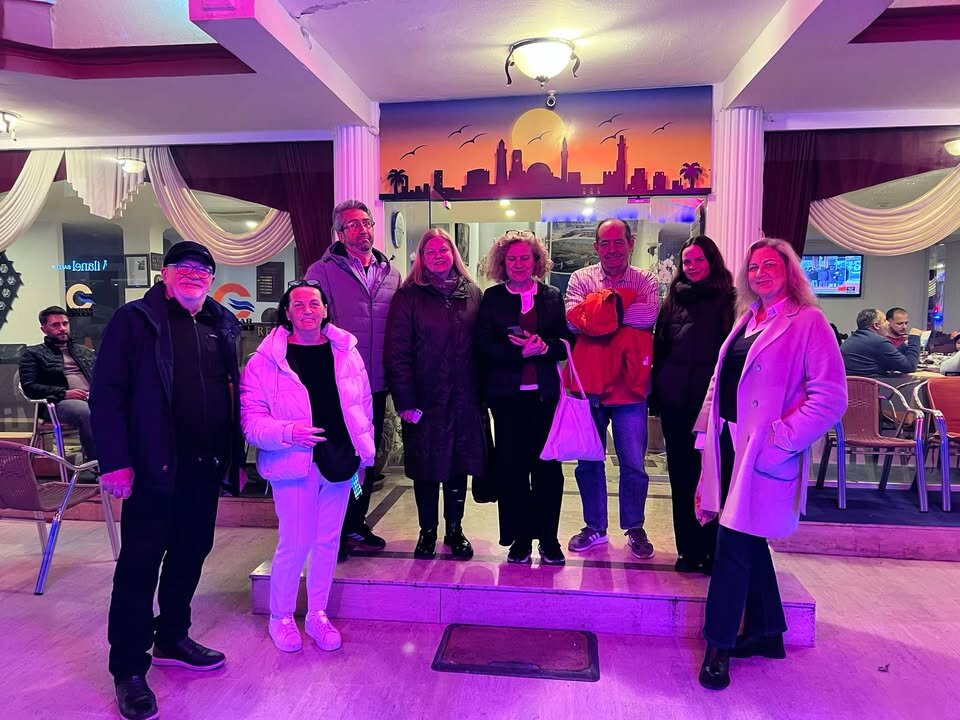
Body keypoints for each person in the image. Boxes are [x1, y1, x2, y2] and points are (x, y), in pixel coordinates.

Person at [91, 241, 244, 720]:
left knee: (190, 554)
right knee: (139, 567)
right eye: (184, 267)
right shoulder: (135, 320)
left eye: (204, 269)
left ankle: (173, 637)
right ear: (165, 274)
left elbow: (230, 391)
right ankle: (128, 669)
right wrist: (115, 461)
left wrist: (234, 457)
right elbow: (106, 394)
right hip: (152, 467)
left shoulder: (221, 323)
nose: (194, 274)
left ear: (212, 279)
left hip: (205, 466)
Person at [694, 238, 847, 691]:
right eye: (754, 267)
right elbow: (720, 382)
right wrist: (705, 434)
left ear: (789, 272)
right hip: (729, 443)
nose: (760, 273)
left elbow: (831, 397)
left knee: (732, 545)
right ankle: (767, 631)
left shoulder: (808, 321)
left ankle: (718, 646)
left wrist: (783, 439)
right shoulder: (746, 319)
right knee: (747, 536)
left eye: (770, 265)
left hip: (764, 449)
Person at [241, 281, 375, 653]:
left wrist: (364, 457)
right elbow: (251, 422)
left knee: (327, 542)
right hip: (293, 461)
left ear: (325, 309)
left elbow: (362, 408)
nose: (307, 310)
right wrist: (288, 432)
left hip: (340, 460)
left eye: (314, 303)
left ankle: (317, 613)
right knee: (295, 541)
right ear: (286, 312)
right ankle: (280, 616)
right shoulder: (264, 361)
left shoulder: (347, 353)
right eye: (298, 304)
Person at [305, 200, 400, 562]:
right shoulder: (321, 271)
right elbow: (311, 324)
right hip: (337, 384)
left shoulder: (391, 273)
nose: (362, 230)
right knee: (338, 459)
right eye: (353, 225)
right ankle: (333, 532)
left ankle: (356, 523)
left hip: (376, 382)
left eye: (366, 223)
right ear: (339, 233)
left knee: (367, 458)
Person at [386, 227, 486, 560]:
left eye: (444, 250)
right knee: (426, 468)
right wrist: (405, 400)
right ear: (421, 258)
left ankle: (454, 530)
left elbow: (482, 347)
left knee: (458, 467)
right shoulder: (408, 296)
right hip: (424, 401)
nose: (438, 256)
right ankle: (427, 531)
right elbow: (397, 352)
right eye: (431, 252)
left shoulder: (472, 293)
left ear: (453, 254)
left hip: (464, 400)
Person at [563, 218, 660, 560]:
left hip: (630, 387)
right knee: (589, 461)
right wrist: (623, 307)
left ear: (630, 243)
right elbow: (574, 321)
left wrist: (599, 311)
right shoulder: (580, 278)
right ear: (596, 247)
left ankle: (634, 526)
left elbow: (649, 316)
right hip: (589, 385)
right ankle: (595, 526)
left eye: (619, 241)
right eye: (605, 243)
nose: (612, 249)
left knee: (633, 463)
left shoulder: (645, 279)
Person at [475, 230, 570, 565]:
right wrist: (518, 353)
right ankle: (519, 539)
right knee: (512, 470)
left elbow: (565, 343)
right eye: (512, 258)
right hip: (507, 400)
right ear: (503, 263)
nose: (518, 264)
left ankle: (549, 539)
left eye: (524, 258)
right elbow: (483, 346)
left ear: (536, 261)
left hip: (545, 398)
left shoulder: (552, 296)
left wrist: (546, 348)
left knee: (548, 470)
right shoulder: (492, 298)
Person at [652, 236, 735, 574]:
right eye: (687, 262)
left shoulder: (730, 300)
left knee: (714, 477)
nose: (692, 267)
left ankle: (714, 550)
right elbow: (660, 349)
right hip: (675, 402)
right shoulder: (673, 300)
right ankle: (687, 549)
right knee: (681, 477)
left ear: (712, 262)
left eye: (699, 260)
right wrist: (657, 396)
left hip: (712, 405)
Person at [19, 305, 97, 460]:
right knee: (87, 413)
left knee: (130, 407)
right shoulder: (33, 354)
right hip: (57, 403)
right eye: (55, 325)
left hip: (92, 398)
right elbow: (29, 387)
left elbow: (101, 377)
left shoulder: (85, 352)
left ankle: (130, 461)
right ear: (44, 329)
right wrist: (64, 393)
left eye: (65, 324)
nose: (62, 328)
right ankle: (97, 463)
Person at [841, 308, 922, 376]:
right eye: (885, 320)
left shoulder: (850, 340)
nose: (888, 323)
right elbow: (910, 367)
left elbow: (890, 360)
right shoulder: (879, 342)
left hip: (855, 387)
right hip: (877, 387)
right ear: (876, 325)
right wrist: (914, 337)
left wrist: (904, 345)